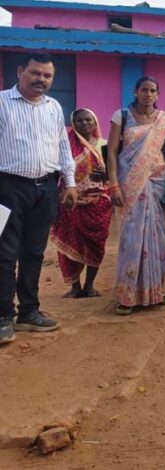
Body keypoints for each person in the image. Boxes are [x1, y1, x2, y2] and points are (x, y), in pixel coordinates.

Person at [0, 53, 78, 342]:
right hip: (7, 188)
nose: (41, 79)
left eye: (47, 75)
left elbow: (62, 147)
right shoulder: (1, 103)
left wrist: (70, 183)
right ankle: (3, 316)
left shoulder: (53, 107)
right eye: (35, 73)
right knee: (4, 254)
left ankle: (29, 312)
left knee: (33, 253)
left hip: (45, 189)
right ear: (20, 71)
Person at [106, 76, 165, 315]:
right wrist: (113, 185)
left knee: (159, 240)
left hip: (158, 182)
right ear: (135, 91)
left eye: (153, 90)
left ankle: (153, 291)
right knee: (131, 239)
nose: (148, 94)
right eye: (144, 90)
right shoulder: (121, 116)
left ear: (158, 94)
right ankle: (127, 296)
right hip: (130, 183)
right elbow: (112, 152)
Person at [50, 108, 112, 298]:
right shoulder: (64, 147)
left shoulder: (104, 145)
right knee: (68, 241)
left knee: (96, 244)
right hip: (70, 203)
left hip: (98, 203)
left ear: (95, 122)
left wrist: (106, 174)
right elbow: (55, 172)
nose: (84, 123)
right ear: (73, 124)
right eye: (79, 120)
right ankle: (75, 287)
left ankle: (89, 286)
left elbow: (114, 173)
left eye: (88, 120)